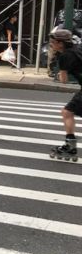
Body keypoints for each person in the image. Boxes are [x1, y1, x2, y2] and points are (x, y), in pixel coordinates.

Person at [47, 29, 80, 160]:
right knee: (68, 113)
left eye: (52, 42)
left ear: (60, 43)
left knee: (67, 113)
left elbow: (64, 80)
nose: (51, 44)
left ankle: (70, 147)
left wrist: (60, 67)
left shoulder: (65, 57)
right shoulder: (78, 48)